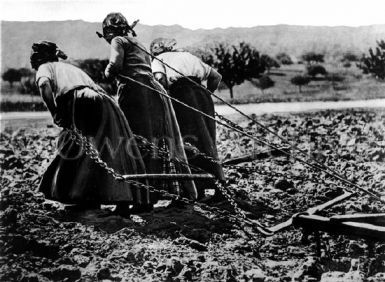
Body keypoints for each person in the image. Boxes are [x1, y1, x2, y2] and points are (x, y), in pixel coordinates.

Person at [31, 40, 150, 213]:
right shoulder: (71, 69)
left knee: (76, 147)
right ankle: (120, 200)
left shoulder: (45, 67)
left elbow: (44, 85)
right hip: (105, 101)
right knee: (110, 148)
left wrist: (55, 111)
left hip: (80, 100)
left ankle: (83, 196)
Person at [98, 13, 197, 205]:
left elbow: (115, 65)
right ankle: (155, 193)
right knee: (155, 142)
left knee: (134, 142)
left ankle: (143, 199)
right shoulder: (138, 43)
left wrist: (107, 72)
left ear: (109, 32)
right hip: (153, 92)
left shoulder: (118, 41)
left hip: (134, 92)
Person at [150, 38, 225, 200]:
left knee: (188, 142)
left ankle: (198, 189)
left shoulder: (158, 60)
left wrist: (167, 99)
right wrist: (204, 94)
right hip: (203, 97)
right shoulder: (189, 56)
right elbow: (216, 77)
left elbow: (160, 80)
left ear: (155, 51)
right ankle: (220, 187)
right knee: (207, 141)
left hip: (181, 96)